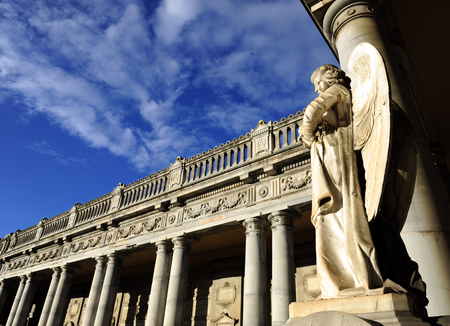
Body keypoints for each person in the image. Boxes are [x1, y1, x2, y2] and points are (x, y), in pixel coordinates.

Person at [299, 64, 383, 298]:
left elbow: (311, 112)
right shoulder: (343, 95)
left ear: (330, 79)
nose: (317, 90)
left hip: (334, 157)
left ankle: (344, 281)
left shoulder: (337, 91)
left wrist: (307, 134)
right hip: (335, 157)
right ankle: (342, 279)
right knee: (334, 216)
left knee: (334, 214)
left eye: (318, 83)